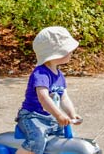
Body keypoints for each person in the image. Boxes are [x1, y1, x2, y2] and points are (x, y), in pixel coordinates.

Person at [15, 26, 82, 154]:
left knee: (67, 137)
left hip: (50, 118)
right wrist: (59, 115)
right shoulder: (40, 74)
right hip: (32, 116)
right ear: (54, 53)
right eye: (67, 50)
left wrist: (72, 114)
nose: (71, 53)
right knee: (37, 141)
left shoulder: (59, 75)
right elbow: (43, 98)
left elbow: (64, 98)